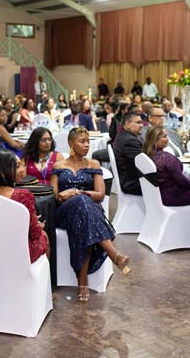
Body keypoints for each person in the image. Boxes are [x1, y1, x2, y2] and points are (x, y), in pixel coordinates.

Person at [51, 127, 130, 302]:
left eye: (88, 141)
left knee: (83, 212)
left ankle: (83, 282)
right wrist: (64, 195)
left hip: (87, 211)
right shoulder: (58, 166)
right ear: (71, 143)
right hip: (64, 212)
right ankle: (114, 255)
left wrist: (77, 192)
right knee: (82, 205)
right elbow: (54, 196)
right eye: (82, 141)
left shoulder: (93, 164)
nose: (86, 145)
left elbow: (100, 195)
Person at [0, 149, 49, 262]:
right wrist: (37, 225)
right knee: (44, 235)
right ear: (2, 172)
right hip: (17, 255)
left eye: (22, 165)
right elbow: (35, 233)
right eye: (17, 166)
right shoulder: (22, 196)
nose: (22, 170)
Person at [142, 126, 190, 214]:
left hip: (157, 196)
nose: (167, 139)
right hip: (173, 197)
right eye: (164, 137)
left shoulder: (146, 156)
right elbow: (182, 182)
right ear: (155, 139)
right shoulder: (167, 158)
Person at [113, 112, 144, 195]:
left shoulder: (123, 136)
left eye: (141, 122)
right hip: (133, 183)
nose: (141, 125)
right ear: (127, 124)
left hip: (130, 179)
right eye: (138, 122)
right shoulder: (130, 141)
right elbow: (143, 165)